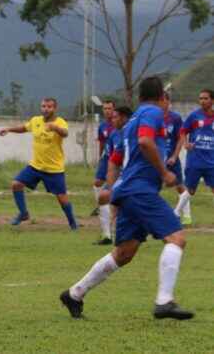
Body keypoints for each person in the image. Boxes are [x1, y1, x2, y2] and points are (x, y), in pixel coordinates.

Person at [60, 76, 194, 320]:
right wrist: (164, 172)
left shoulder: (130, 123)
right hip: (139, 189)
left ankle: (74, 293)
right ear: (162, 98)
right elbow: (145, 142)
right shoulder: (153, 114)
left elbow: (114, 159)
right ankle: (164, 301)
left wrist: (112, 189)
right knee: (176, 238)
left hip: (127, 190)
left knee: (124, 253)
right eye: (167, 101)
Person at [0, 97, 77, 230]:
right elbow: (24, 128)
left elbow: (65, 133)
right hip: (35, 166)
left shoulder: (60, 122)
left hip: (54, 169)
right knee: (16, 184)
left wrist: (55, 128)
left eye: (49, 107)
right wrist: (9, 129)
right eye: (43, 106)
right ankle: (24, 214)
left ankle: (73, 224)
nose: (45, 109)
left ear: (54, 108)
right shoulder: (36, 120)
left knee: (62, 198)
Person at [174, 89, 214, 222]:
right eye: (200, 98)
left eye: (205, 98)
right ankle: (176, 213)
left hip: (211, 161)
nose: (202, 101)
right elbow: (183, 131)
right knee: (190, 190)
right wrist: (186, 143)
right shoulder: (194, 116)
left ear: (212, 100)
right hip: (195, 160)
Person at [95, 106, 132, 245]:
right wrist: (104, 175)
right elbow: (110, 158)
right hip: (118, 175)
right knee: (104, 197)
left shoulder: (132, 133)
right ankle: (109, 236)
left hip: (132, 175)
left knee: (124, 205)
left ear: (124, 118)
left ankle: (125, 235)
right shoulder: (113, 134)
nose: (112, 119)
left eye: (115, 117)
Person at [161, 93, 191, 225]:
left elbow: (180, 138)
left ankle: (187, 216)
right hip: (157, 160)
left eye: (163, 100)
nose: (161, 103)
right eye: (159, 100)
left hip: (171, 159)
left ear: (168, 101)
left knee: (180, 187)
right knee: (151, 187)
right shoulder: (153, 117)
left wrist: (174, 156)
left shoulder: (175, 118)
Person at [91, 100, 115, 216]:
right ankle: (100, 206)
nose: (107, 111)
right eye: (105, 109)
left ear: (114, 110)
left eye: (109, 108)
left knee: (113, 184)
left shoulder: (119, 124)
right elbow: (102, 142)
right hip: (106, 158)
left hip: (117, 159)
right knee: (97, 183)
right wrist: (100, 156)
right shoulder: (102, 126)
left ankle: (115, 208)